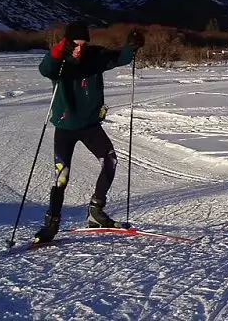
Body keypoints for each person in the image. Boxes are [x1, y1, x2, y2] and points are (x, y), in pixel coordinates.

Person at [34, 20, 145, 243]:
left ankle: (96, 211)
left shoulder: (95, 56)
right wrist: (58, 52)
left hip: (90, 126)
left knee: (110, 161)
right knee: (61, 177)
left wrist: (131, 47)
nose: (80, 48)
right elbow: (45, 68)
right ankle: (51, 224)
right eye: (75, 44)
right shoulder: (59, 62)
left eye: (83, 44)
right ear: (67, 43)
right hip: (65, 128)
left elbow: (119, 57)